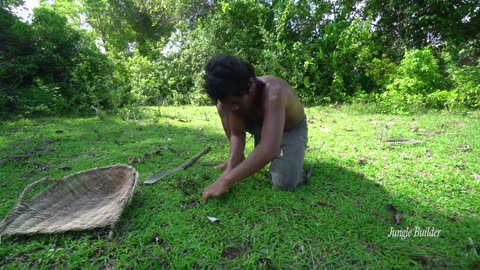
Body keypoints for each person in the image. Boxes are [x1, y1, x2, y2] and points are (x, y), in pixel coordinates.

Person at [202, 55, 308, 201]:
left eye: (235, 103)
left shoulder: (274, 92)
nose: (233, 109)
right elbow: (237, 134)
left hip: (290, 129)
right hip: (261, 126)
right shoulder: (233, 95)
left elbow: (269, 149)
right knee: (222, 106)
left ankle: (296, 165)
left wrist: (225, 180)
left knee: (283, 182)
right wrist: (232, 164)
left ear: (251, 85)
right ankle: (236, 161)